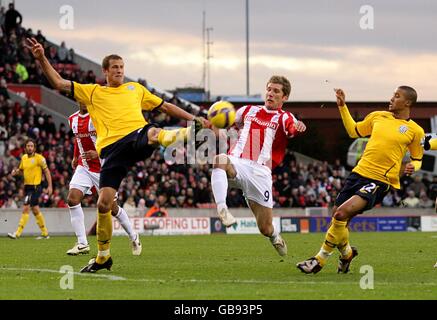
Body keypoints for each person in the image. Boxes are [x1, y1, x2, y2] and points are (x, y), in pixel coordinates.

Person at [26, 37, 208, 273]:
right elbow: (59, 83)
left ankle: (188, 132)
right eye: (115, 68)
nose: (120, 71)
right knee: (104, 204)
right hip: (112, 152)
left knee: (153, 132)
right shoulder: (93, 92)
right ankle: (103, 257)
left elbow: (164, 106)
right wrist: (41, 59)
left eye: (122, 67)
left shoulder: (135, 89)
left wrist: (193, 118)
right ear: (105, 72)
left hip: (136, 135)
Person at [297, 86, 425, 274]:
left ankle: (319, 260)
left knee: (340, 215)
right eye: (392, 95)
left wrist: (414, 166)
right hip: (357, 174)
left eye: (397, 96)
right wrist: (342, 107)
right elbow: (353, 131)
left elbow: (418, 159)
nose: (391, 98)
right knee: (339, 219)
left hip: (380, 181)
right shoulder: (378, 116)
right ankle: (347, 254)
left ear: (407, 103)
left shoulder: (415, 130)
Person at [211, 75, 306, 257]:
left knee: (265, 227)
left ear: (284, 97)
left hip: (260, 172)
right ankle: (222, 208)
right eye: (269, 89)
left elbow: (291, 128)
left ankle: (274, 236)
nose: (270, 94)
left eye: (276, 91)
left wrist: (298, 126)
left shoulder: (284, 117)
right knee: (219, 159)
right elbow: (224, 123)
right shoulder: (248, 110)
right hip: (238, 162)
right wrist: (213, 123)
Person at [66, 102, 142, 256]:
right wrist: (75, 157)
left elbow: (112, 139)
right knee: (72, 199)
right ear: (78, 100)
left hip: (104, 168)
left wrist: (98, 153)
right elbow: (77, 139)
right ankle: (82, 243)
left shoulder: (99, 117)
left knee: (113, 209)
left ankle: (134, 237)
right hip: (84, 167)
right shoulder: (72, 119)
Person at [7, 139, 53, 239]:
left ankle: (17, 233)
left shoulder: (39, 158)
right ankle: (45, 233)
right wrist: (16, 172)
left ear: (34, 148)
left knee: (26, 207)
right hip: (27, 187)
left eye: (32, 146)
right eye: (28, 146)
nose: (30, 147)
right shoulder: (23, 158)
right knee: (35, 209)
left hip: (36, 187)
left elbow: (47, 171)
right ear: (25, 148)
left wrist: (50, 186)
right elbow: (21, 171)